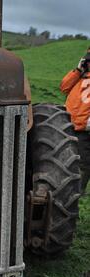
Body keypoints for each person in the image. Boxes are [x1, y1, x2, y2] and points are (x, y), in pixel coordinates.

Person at [60, 48, 90, 194]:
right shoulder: (80, 77)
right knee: (69, 159)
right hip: (73, 126)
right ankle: (72, 189)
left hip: (85, 128)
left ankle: (78, 191)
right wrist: (78, 70)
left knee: (84, 163)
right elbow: (64, 86)